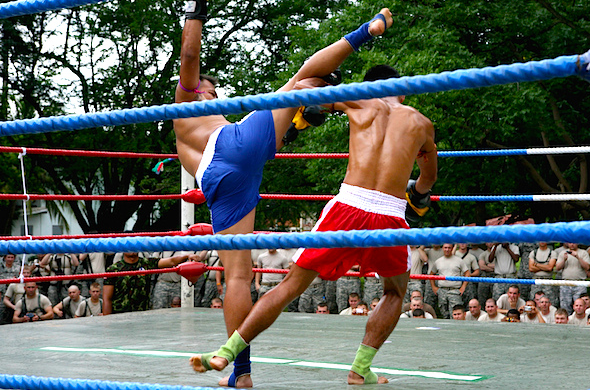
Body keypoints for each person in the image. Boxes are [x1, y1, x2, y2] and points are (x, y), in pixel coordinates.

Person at [189, 29, 439, 389]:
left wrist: (313, 108)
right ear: (403, 90)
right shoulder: (420, 124)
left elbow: (303, 86)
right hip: (390, 214)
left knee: (291, 286)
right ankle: (359, 369)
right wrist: (418, 192)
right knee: (395, 293)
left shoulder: (358, 99)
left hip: (348, 207)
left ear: (370, 85)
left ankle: (228, 353)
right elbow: (428, 176)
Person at [103, 252, 198, 315]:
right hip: (119, 314)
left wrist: (186, 256)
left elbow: (171, 261)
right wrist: (107, 321)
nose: (131, 248)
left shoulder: (146, 263)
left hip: (141, 314)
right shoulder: (114, 269)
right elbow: (107, 298)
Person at [430, 243, 469, 319]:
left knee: (456, 314)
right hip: (442, 290)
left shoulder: (459, 260)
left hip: (454, 290)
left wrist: (463, 287)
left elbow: (467, 273)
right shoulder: (438, 261)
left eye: (449, 248)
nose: (447, 249)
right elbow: (431, 274)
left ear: (452, 248)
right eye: (445, 248)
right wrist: (434, 287)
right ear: (442, 248)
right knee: (443, 312)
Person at [556, 243, 590, 314]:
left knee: (580, 306)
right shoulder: (563, 253)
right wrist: (564, 260)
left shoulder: (583, 253)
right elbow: (557, 268)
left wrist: (578, 257)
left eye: (574, 242)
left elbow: (587, 267)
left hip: (580, 283)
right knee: (565, 306)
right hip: (566, 283)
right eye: (570, 243)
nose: (572, 244)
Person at [528, 242, 558, 307]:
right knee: (534, 301)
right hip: (536, 280)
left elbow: (550, 267)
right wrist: (545, 266)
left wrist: (536, 264)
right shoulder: (533, 253)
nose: (542, 241)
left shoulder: (552, 253)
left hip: (547, 280)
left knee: (549, 301)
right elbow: (531, 268)